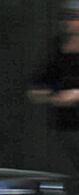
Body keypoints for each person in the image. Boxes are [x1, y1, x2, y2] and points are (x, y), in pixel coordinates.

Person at [29, 1, 79, 177]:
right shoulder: (56, 49)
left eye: (75, 17)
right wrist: (53, 97)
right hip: (64, 129)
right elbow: (35, 89)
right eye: (67, 17)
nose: (70, 22)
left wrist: (75, 95)